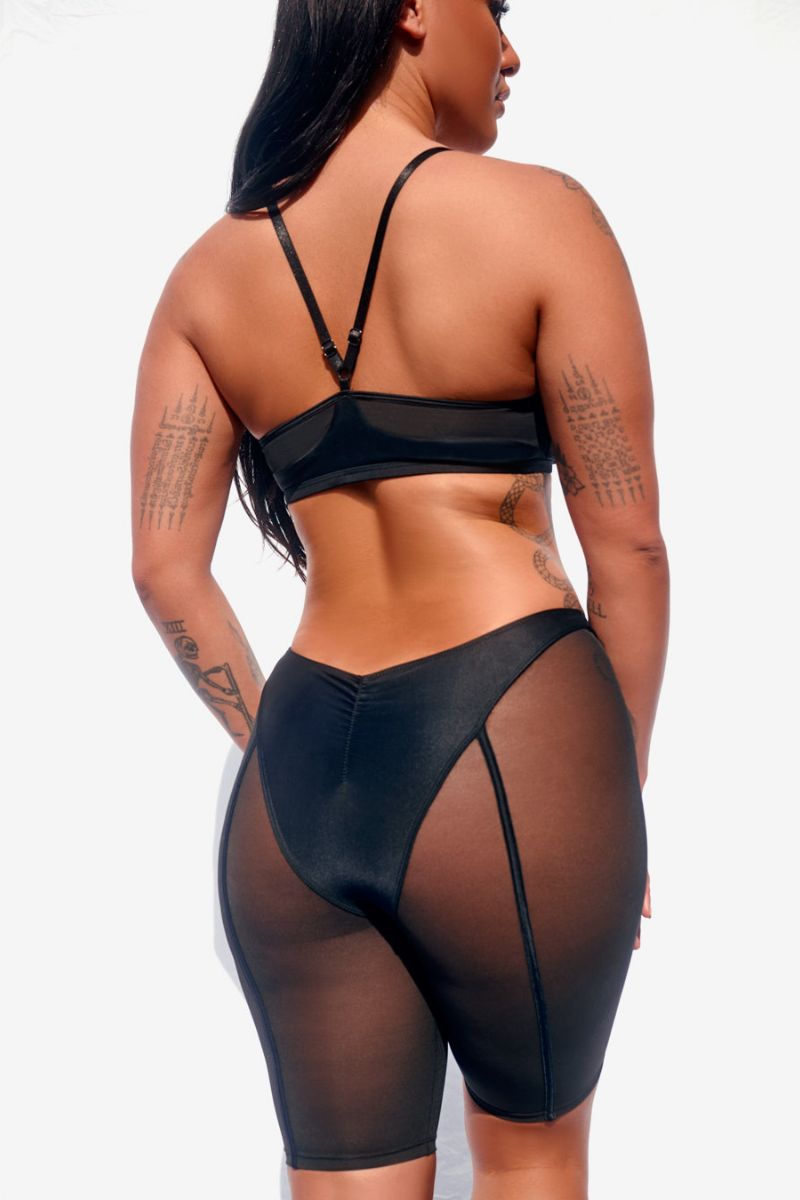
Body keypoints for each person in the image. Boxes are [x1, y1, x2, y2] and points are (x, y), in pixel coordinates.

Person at [130, 1, 668, 1196]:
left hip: (300, 772)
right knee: (527, 1164)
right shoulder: (539, 215)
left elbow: (164, 566)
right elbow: (627, 547)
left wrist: (276, 744)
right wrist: (611, 799)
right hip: (514, 737)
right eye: (498, 7)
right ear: (413, 8)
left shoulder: (206, 278)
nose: (511, 50)